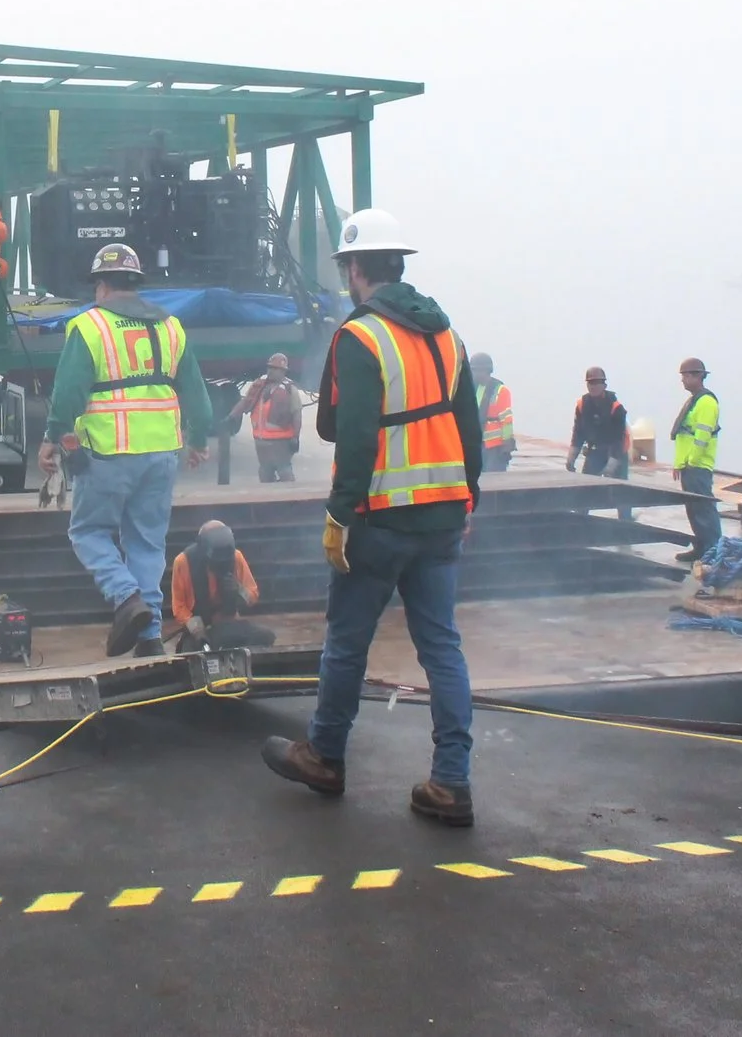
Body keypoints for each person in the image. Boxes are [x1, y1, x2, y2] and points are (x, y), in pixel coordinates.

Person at [261, 207, 483, 827]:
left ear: (356, 269)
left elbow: (345, 433)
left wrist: (339, 515)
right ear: (399, 264)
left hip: (380, 518)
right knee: (442, 648)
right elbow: (468, 428)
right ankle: (451, 783)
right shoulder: (449, 335)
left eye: (346, 268)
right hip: (442, 517)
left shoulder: (360, 337)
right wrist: (471, 498)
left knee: (347, 644)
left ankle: (325, 755)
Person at [38, 243, 216, 658]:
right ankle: (149, 637)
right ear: (135, 284)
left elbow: (68, 393)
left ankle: (126, 598)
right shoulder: (173, 327)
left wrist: (52, 437)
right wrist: (199, 441)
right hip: (162, 454)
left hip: (109, 451)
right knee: (147, 544)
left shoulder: (90, 327)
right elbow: (198, 396)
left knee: (87, 532)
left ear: (101, 286)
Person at [167, 519, 273, 651]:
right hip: (203, 629)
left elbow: (253, 594)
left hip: (229, 625)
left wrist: (238, 590)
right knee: (189, 650)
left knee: (266, 636)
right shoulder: (183, 562)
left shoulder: (236, 557)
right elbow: (179, 607)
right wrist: (197, 630)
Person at [671, 358, 723, 563]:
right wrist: (679, 464)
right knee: (693, 510)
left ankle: (714, 551)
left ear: (697, 376)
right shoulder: (695, 400)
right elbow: (685, 436)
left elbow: (702, 437)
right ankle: (701, 548)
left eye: (685, 376)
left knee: (704, 510)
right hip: (689, 466)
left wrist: (692, 461)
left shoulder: (707, 402)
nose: (682, 380)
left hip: (698, 466)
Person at [234, 353, 306, 484]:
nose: (271, 371)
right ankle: (267, 501)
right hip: (261, 441)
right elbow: (245, 402)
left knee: (284, 471)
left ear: (283, 371)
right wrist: (232, 416)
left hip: (281, 442)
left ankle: (290, 500)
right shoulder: (259, 386)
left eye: (275, 369)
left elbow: (297, 414)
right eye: (270, 368)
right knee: (265, 472)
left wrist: (295, 437)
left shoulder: (290, 389)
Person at [566, 368, 630, 478]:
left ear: (604, 385)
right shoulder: (582, 405)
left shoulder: (616, 408)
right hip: (595, 450)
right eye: (591, 383)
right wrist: (571, 459)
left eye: (597, 383)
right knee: (587, 484)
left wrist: (611, 466)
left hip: (616, 452)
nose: (593, 386)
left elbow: (619, 441)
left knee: (617, 488)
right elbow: (578, 434)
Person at [472, 353, 516, 471]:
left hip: (495, 447)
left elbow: (506, 420)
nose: (475, 374)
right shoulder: (473, 389)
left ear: (487, 371)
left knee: (494, 480)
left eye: (478, 371)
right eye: (473, 371)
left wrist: (507, 445)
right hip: (477, 444)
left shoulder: (501, 390)